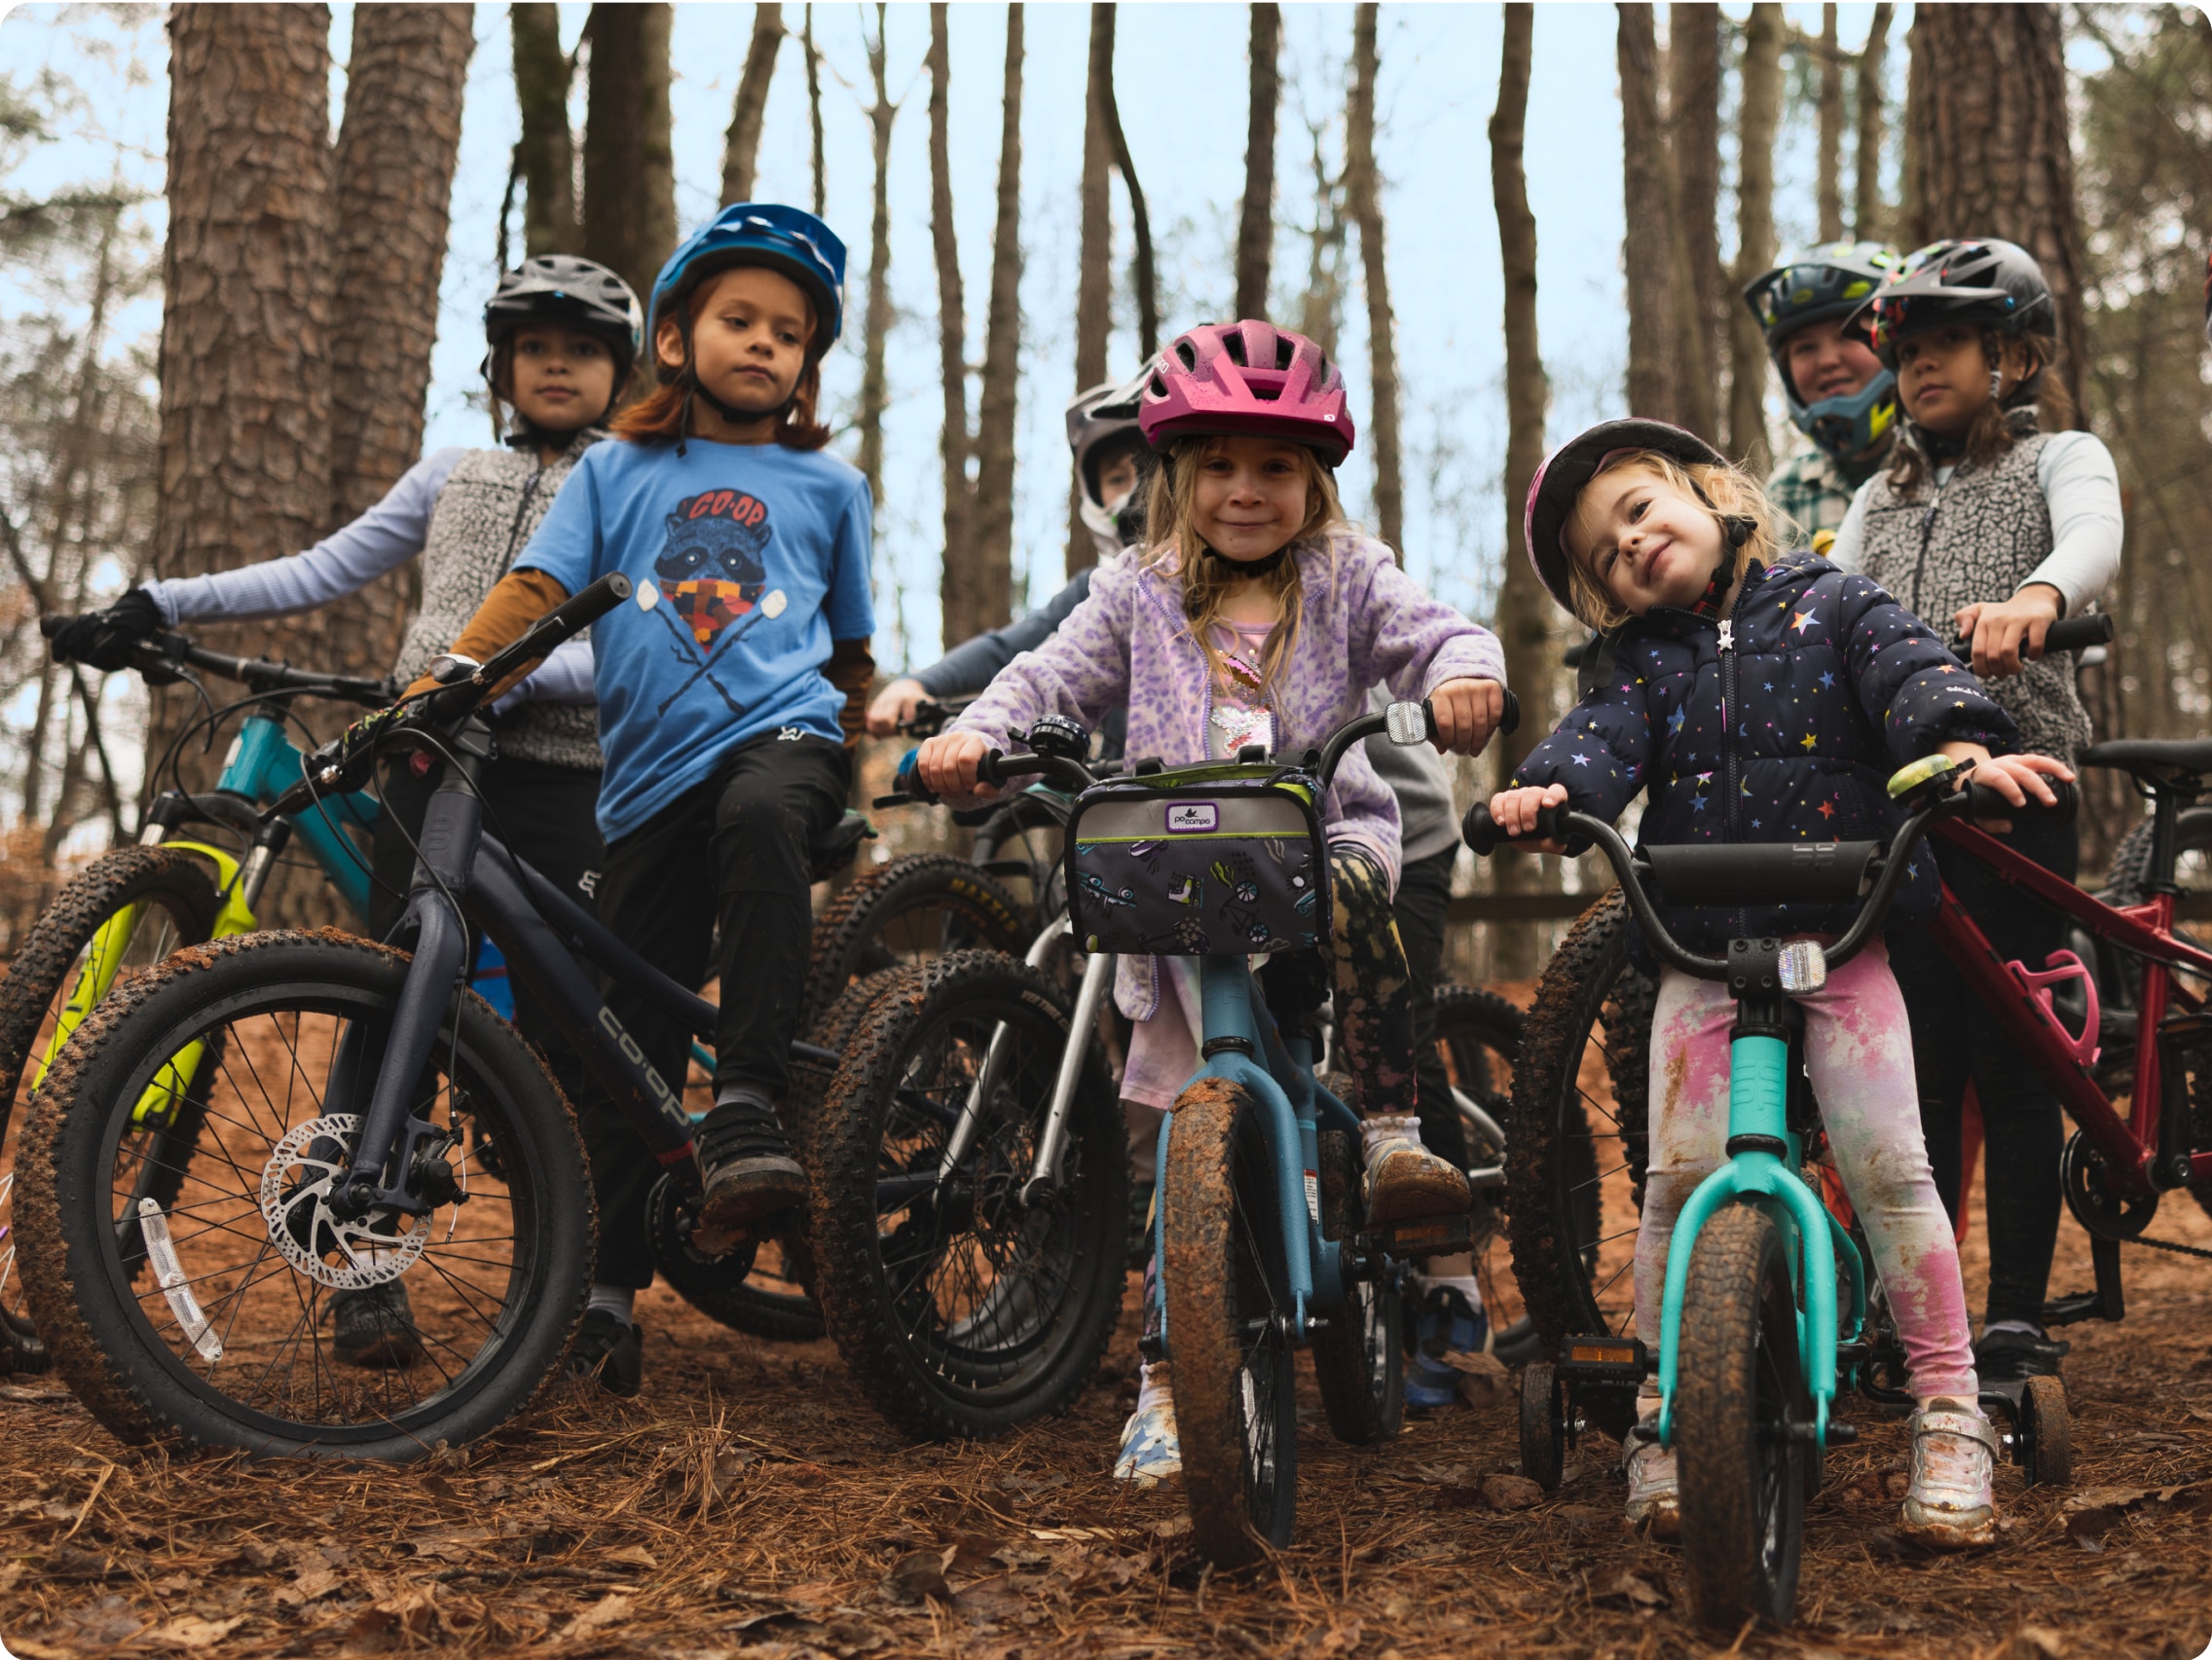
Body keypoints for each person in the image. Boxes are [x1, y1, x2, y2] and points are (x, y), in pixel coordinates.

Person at [911, 319, 1509, 1479]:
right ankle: (1165, 1385)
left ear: (1314, 479)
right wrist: (976, 733)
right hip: (1170, 862)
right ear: (1177, 475)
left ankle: (1384, 1129)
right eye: (1220, 465)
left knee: (1354, 893)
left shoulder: (1345, 575)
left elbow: (1434, 634)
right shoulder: (1139, 587)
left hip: (1313, 840)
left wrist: (1462, 677)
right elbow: (1046, 677)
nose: (1246, 490)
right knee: (1180, 1148)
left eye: (1276, 467)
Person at [46, 254, 644, 1376]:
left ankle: (606, 1285)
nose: (555, 365)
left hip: (567, 773)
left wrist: (499, 675)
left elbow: (635, 647)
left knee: (582, 1023)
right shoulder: (452, 471)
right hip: (428, 756)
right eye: (534, 348)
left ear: (618, 372)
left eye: (582, 350)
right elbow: (322, 568)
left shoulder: (629, 482)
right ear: (501, 367)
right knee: (392, 991)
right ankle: (359, 1255)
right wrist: (163, 600)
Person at [1492, 416, 2073, 1549]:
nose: (1632, 546)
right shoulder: (1639, 663)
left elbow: (1911, 675)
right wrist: (1552, 795)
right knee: (1675, 1178)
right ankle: (1665, 1416)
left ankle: (1948, 1408)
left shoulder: (1836, 603)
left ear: (1708, 495)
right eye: (1606, 556)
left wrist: (1959, 749)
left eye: (1640, 511)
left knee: (1893, 1169)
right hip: (1704, 952)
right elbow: (1602, 740)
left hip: (1839, 939)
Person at [404, 203, 875, 1395]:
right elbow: (538, 584)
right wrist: (452, 675)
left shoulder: (829, 486)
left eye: (789, 331)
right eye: (738, 320)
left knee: (763, 810)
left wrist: (850, 773)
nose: (764, 344)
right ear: (676, 339)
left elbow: (853, 656)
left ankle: (755, 1108)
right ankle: (605, 1293)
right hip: (647, 783)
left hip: (787, 742)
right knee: (622, 1035)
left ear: (808, 361)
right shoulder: (614, 468)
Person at [1832, 238, 2123, 1384]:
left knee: (2013, 1058)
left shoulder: (2057, 455)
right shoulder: (1880, 493)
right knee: (1915, 1069)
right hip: (1901, 811)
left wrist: (2039, 596)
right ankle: (1922, 1317)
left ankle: (2010, 1312)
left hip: (2020, 789)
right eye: (1904, 352)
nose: (1920, 369)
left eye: (1946, 342)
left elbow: (2093, 533)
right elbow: (1829, 594)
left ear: (2011, 353)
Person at [1741, 240, 1908, 547]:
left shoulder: (1940, 458)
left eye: (1848, 335)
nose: (1827, 361)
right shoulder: (1786, 493)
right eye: (1805, 347)